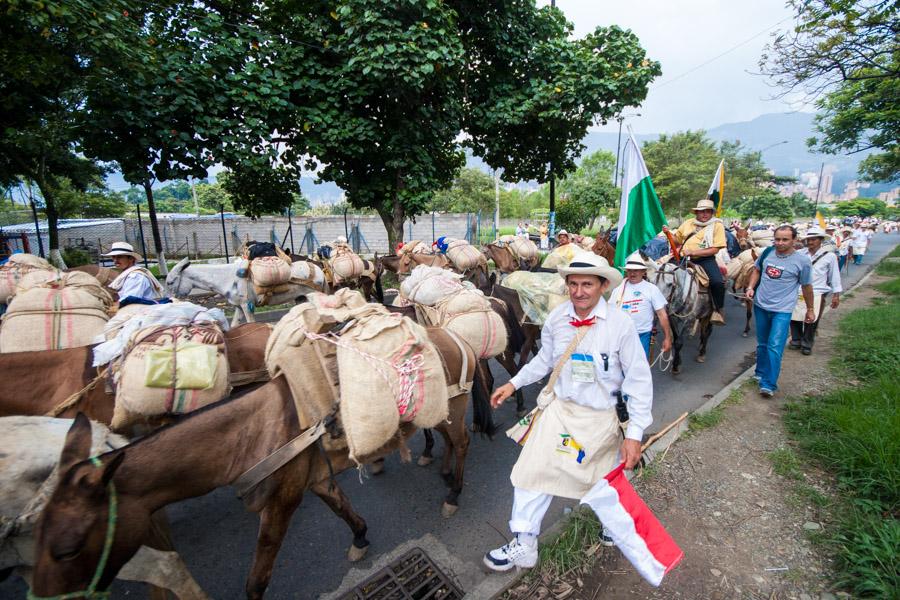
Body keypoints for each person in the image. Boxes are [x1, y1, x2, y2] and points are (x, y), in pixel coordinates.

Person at [483, 253, 653, 571]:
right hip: (560, 413)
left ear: (602, 285)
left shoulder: (621, 324)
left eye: (587, 284)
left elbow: (640, 381)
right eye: (572, 284)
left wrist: (634, 434)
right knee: (530, 474)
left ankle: (613, 525)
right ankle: (525, 543)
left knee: (605, 482)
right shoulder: (559, 317)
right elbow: (545, 359)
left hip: (602, 419)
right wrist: (514, 384)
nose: (578, 291)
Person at [745, 226, 814, 398]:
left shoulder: (802, 261)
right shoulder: (767, 252)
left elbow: (806, 286)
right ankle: (760, 372)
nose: (780, 243)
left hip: (782, 310)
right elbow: (757, 270)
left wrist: (810, 309)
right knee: (762, 343)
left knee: (774, 346)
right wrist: (750, 287)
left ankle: (768, 384)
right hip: (761, 305)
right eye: (777, 239)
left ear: (794, 240)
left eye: (785, 240)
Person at [663, 199, 727, 326]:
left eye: (708, 212)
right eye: (701, 211)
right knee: (663, 274)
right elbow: (677, 241)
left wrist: (693, 252)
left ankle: (717, 310)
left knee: (717, 282)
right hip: (682, 258)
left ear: (711, 213)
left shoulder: (717, 225)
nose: (704, 214)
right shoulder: (688, 223)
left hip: (705, 260)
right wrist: (668, 233)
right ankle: (662, 305)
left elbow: (715, 248)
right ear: (696, 212)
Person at [789, 227, 842, 355]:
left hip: (817, 291)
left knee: (811, 319)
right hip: (798, 289)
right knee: (794, 317)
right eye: (809, 239)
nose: (810, 242)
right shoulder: (799, 254)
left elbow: (834, 276)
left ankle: (807, 343)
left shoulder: (829, 257)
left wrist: (836, 295)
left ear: (821, 240)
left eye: (814, 239)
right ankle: (796, 339)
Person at [609, 252, 673, 357]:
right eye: (630, 270)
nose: (632, 273)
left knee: (640, 369)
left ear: (643, 272)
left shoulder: (651, 289)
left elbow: (662, 314)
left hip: (642, 334)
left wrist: (667, 337)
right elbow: (610, 311)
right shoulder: (618, 289)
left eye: (636, 270)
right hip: (621, 335)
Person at [103, 242, 165, 306]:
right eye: (114, 257)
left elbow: (130, 299)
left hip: (142, 311)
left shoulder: (135, 276)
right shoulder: (127, 275)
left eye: (119, 257)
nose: (115, 260)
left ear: (131, 259)